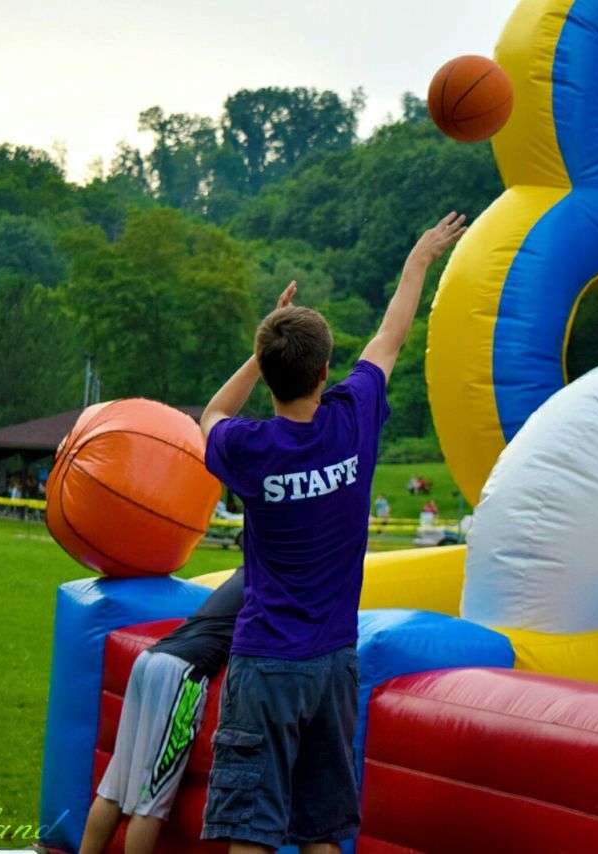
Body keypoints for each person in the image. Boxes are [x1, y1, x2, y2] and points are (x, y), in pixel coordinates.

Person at [198, 211, 466, 852]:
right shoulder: (354, 418)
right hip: (333, 664)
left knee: (249, 832)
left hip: (265, 663)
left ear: (272, 371)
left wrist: (260, 357)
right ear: (325, 374)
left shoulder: (250, 448)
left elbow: (211, 413)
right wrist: (418, 260)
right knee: (323, 832)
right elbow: (392, 335)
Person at [79, 568, 246, 854]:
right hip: (183, 672)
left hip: (151, 658)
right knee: (152, 797)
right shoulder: (273, 578)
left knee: (115, 786)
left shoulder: (245, 573)